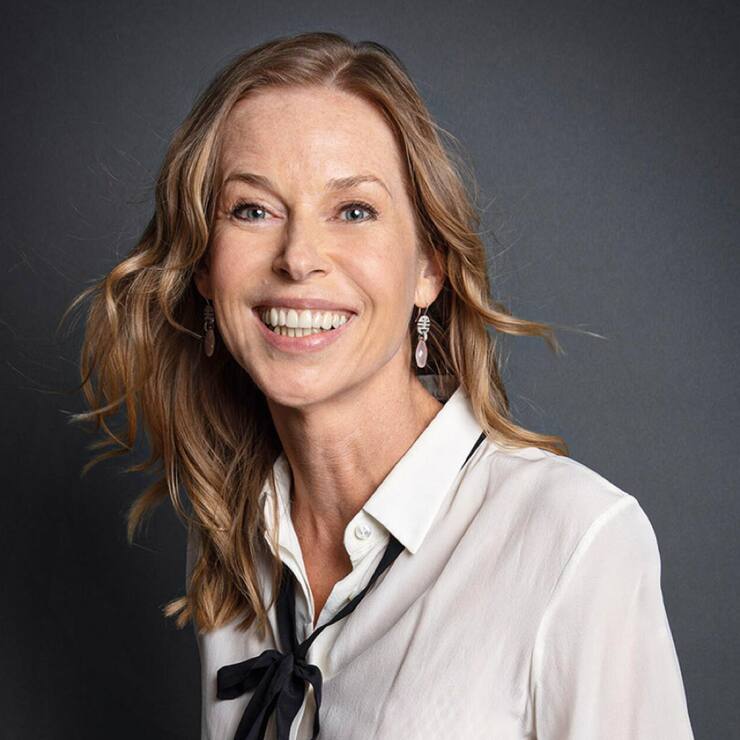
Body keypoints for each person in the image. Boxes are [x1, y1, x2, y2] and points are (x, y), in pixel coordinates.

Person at [67, 31, 695, 740]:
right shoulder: (231, 540)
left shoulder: (575, 543)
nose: (299, 258)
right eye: (252, 209)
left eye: (354, 211)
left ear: (429, 267)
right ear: (205, 268)